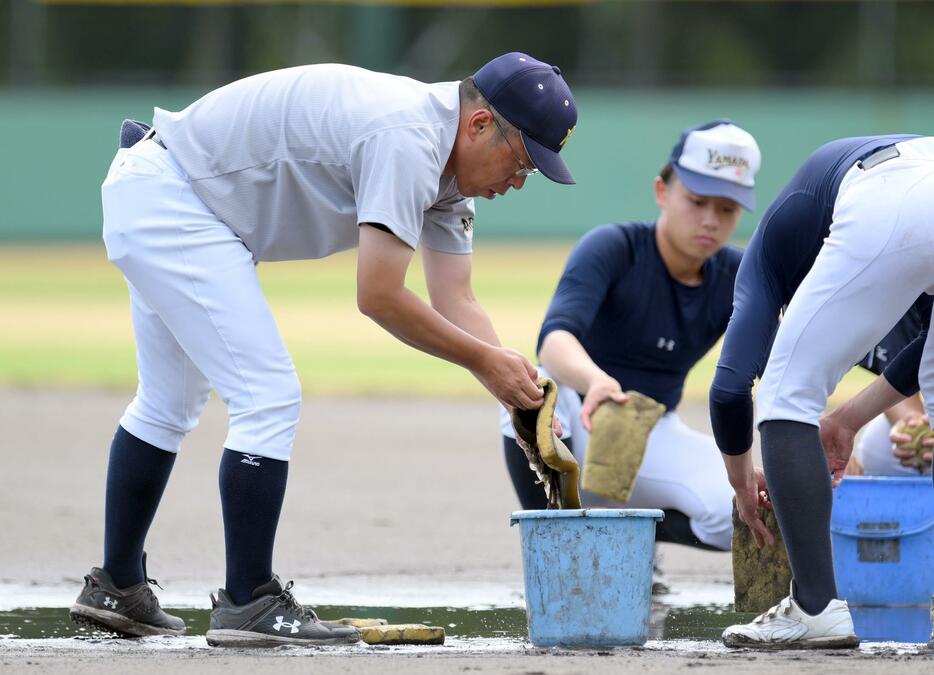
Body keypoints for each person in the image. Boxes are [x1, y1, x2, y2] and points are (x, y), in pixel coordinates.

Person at [69, 52, 579, 647]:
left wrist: (514, 398)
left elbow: (456, 299)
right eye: (522, 161)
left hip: (176, 198)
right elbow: (380, 296)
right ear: (480, 124)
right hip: (175, 199)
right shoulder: (409, 137)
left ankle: (117, 587)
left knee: (168, 401)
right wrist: (483, 363)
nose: (518, 181)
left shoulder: (447, 171)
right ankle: (248, 600)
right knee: (267, 395)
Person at [710, 134, 934, 649]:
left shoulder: (767, 257)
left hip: (890, 190)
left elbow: (729, 389)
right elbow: (926, 352)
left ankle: (814, 609)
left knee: (786, 395)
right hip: (910, 173)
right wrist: (848, 419)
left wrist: (742, 481)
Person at [499, 120, 761, 553]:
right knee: (528, 393)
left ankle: (625, 536)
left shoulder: (741, 275)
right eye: (696, 201)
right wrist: (596, 381)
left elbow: (783, 357)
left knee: (731, 512)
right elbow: (554, 339)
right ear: (662, 191)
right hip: (578, 421)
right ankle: (553, 551)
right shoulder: (614, 247)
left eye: (728, 209)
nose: (710, 220)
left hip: (652, 433)